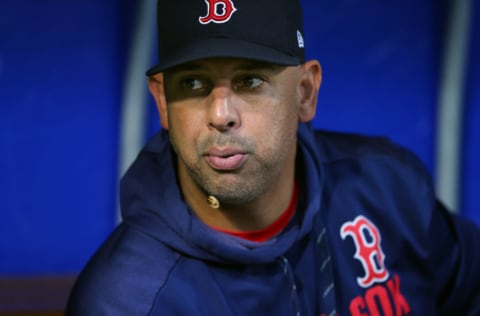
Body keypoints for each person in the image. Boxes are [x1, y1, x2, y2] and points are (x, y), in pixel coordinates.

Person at [66, 0, 480, 315]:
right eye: (193, 83)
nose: (221, 115)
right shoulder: (127, 301)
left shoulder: (386, 188)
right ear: (162, 100)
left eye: (250, 80)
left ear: (305, 92)